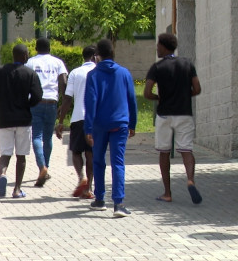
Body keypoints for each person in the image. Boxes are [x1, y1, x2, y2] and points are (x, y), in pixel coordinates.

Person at [143, 33, 202, 204]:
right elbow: (197, 88)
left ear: (163, 46)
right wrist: (184, 95)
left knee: (164, 152)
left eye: (158, 46)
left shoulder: (157, 67)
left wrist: (158, 98)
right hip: (184, 113)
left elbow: (146, 93)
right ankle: (190, 180)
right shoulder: (187, 64)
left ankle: (167, 193)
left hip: (164, 114)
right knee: (186, 150)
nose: (156, 48)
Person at [84, 39, 137, 218]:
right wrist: (133, 124)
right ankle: (119, 203)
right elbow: (131, 100)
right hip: (120, 123)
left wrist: (88, 128)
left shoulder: (93, 75)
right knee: (118, 162)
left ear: (97, 56)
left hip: (99, 125)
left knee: (98, 160)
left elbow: (90, 103)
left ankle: (99, 199)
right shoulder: (124, 73)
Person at [0, 44, 42, 198]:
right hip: (23, 119)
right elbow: (38, 95)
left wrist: (3, 103)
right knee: (21, 155)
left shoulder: (0, 72)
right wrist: (27, 105)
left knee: (5, 153)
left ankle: (3, 173)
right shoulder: (30, 74)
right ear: (24, 55)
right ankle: (17, 189)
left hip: (4, 119)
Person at [55, 46, 97, 199]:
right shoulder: (99, 72)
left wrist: (60, 122)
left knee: (76, 151)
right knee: (91, 152)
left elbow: (67, 98)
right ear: (94, 56)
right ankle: (89, 187)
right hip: (95, 119)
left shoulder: (75, 73)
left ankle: (81, 178)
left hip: (78, 117)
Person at [25, 38, 68, 187]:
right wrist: (63, 102)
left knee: (36, 135)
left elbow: (25, 82)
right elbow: (63, 82)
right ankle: (46, 167)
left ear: (36, 48)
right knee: (48, 137)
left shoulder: (30, 62)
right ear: (50, 48)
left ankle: (42, 167)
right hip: (51, 102)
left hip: (36, 102)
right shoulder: (57, 63)